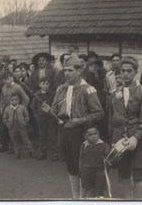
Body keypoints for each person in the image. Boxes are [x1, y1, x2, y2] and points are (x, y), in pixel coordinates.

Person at [49, 55, 104, 199]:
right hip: (65, 131)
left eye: (70, 70)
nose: (66, 73)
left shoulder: (88, 89)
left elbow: (99, 113)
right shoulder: (61, 89)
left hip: (82, 133)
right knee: (71, 166)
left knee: (83, 169)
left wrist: (79, 121)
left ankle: (85, 198)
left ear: (79, 71)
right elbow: (55, 110)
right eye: (65, 70)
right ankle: (75, 198)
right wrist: (49, 111)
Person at [108, 56, 142, 199]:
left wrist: (136, 138)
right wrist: (112, 140)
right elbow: (110, 118)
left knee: (138, 173)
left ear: (136, 72)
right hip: (119, 139)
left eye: (129, 71)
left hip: (138, 140)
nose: (125, 74)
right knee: (123, 172)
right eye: (123, 71)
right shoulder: (114, 93)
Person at [0, 71, 29, 153]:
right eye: (4, 80)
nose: (5, 81)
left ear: (11, 78)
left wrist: (21, 109)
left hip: (15, 112)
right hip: (6, 111)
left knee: (14, 130)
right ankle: (4, 146)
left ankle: (14, 148)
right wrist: (1, 109)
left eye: (7, 79)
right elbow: (2, 99)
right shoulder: (4, 87)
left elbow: (26, 99)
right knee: (4, 128)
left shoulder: (17, 87)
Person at [3, 93, 36, 159]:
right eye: (12, 100)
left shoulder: (22, 108)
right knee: (14, 140)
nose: (14, 101)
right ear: (10, 101)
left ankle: (31, 151)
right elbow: (5, 118)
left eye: (16, 99)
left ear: (19, 100)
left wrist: (25, 123)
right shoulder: (7, 109)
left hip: (21, 126)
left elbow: (26, 116)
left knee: (25, 139)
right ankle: (17, 152)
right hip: (12, 126)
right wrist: (8, 124)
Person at [79, 127, 110, 198]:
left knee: (99, 192)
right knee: (89, 191)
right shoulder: (84, 145)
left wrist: (106, 172)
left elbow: (108, 160)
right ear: (85, 136)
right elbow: (81, 159)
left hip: (99, 171)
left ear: (98, 134)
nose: (93, 136)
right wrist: (81, 171)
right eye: (90, 135)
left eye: (95, 134)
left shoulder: (104, 145)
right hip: (87, 172)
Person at [32, 76, 58, 161]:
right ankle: (42, 152)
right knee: (42, 135)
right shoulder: (37, 94)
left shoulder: (53, 94)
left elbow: (55, 105)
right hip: (41, 118)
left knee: (52, 135)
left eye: (47, 84)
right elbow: (33, 106)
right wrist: (36, 115)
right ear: (40, 84)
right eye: (43, 84)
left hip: (51, 118)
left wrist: (54, 114)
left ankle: (55, 153)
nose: (45, 86)